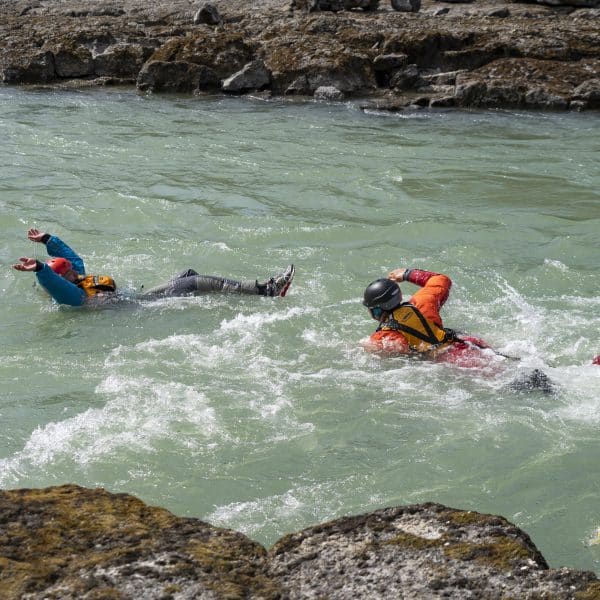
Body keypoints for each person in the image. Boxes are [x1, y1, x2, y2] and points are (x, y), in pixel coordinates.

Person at [12, 228, 294, 307]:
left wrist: (48, 240)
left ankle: (243, 296)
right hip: (139, 307)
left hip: (136, 297)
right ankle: (267, 290)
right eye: (69, 273)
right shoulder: (73, 295)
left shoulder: (76, 276)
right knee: (198, 282)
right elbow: (56, 283)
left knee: (188, 275)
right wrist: (39, 268)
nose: (75, 271)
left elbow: (71, 259)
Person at [362, 267, 500, 368]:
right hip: (467, 343)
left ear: (378, 311)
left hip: (453, 360)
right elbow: (441, 280)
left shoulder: (385, 336)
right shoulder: (421, 303)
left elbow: (379, 350)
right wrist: (407, 274)